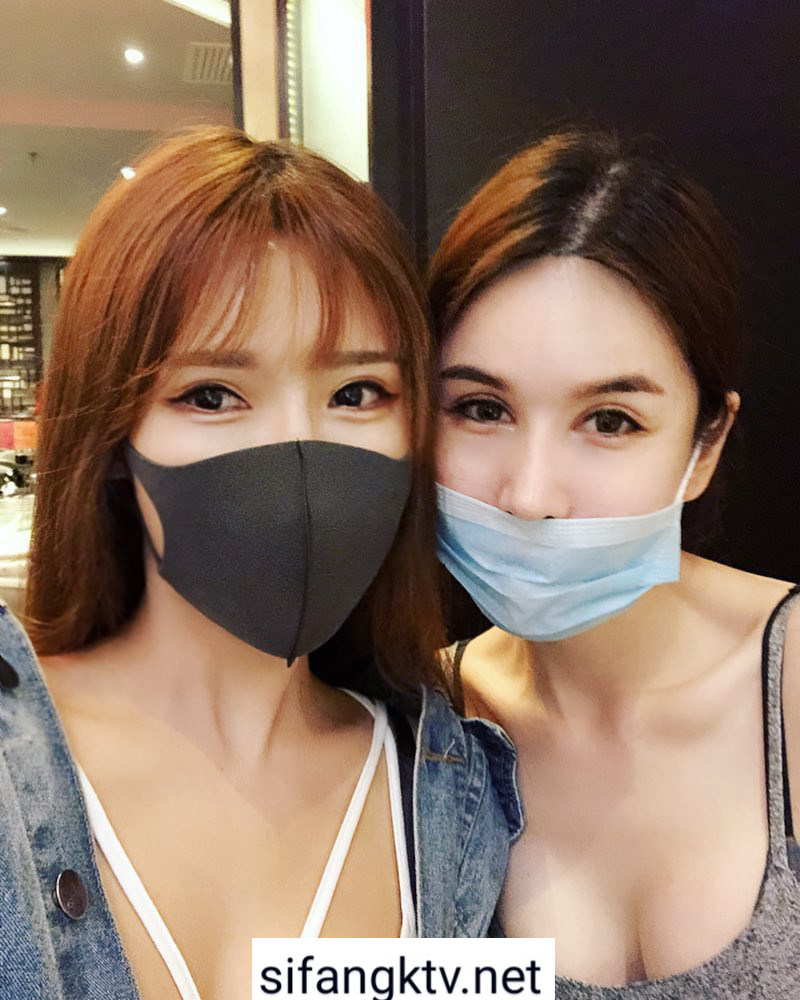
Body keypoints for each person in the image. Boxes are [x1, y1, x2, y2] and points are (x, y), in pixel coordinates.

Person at [0, 127, 521, 1000]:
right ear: (114, 433)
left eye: (357, 392)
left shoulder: (454, 793)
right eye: (211, 395)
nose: (296, 455)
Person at [429, 128, 800, 995]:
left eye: (610, 421)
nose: (530, 495)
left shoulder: (791, 683)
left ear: (705, 445)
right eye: (481, 408)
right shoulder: (426, 725)